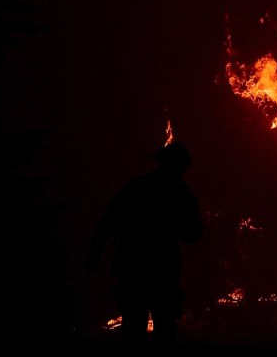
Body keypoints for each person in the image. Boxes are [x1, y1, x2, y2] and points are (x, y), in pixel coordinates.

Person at [86, 140, 203, 349]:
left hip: (134, 265)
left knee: (134, 325)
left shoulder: (137, 186)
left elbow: (109, 220)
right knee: (162, 327)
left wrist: (94, 252)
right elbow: (193, 234)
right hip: (161, 268)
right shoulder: (181, 193)